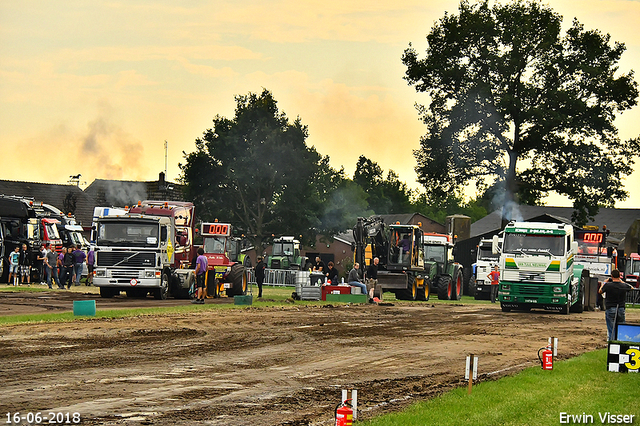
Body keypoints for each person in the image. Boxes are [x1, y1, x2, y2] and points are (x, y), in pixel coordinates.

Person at [599, 269, 634, 341]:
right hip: (621, 308)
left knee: (611, 328)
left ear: (611, 276)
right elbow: (631, 288)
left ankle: (612, 342)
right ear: (619, 276)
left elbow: (600, 291)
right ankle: (621, 340)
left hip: (610, 308)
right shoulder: (623, 285)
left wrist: (604, 283)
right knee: (621, 327)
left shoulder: (608, 285)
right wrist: (621, 282)